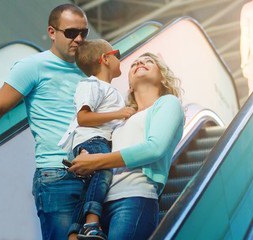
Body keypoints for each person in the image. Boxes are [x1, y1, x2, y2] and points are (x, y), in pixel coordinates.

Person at [0, 4, 90, 240]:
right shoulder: (32, 66)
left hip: (94, 173)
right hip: (57, 175)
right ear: (51, 32)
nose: (78, 39)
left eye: (83, 33)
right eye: (70, 33)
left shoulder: (89, 69)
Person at [68, 52, 185, 240]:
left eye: (149, 61)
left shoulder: (168, 103)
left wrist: (95, 161)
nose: (140, 62)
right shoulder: (120, 121)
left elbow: (154, 148)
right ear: (129, 85)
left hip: (134, 198)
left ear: (162, 77)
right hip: (100, 204)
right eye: (135, 63)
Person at [58, 39, 136, 240]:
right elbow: (83, 118)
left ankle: (74, 233)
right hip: (92, 140)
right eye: (116, 54)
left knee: (88, 188)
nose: (119, 59)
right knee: (103, 172)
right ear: (106, 59)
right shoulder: (91, 84)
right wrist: (118, 114)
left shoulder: (109, 90)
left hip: (99, 140)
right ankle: (92, 223)